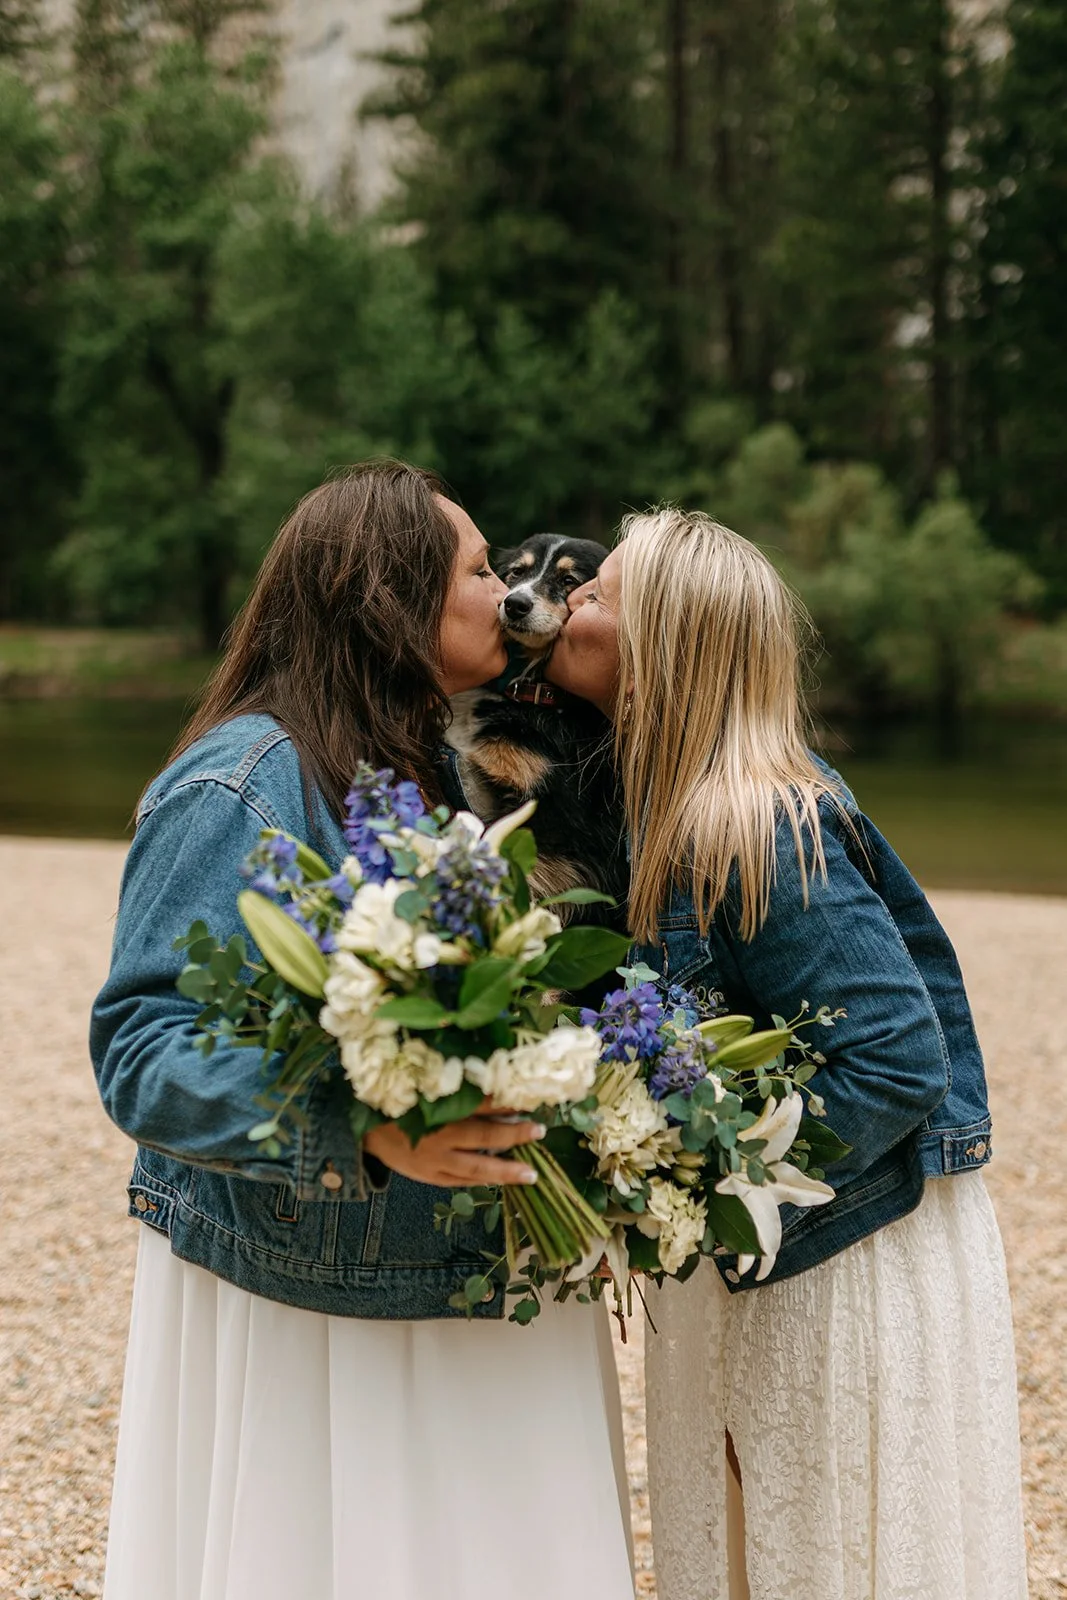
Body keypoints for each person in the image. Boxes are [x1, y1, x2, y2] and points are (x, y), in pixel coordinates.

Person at [90, 461, 635, 1600]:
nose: (503, 594)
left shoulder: (435, 760)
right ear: (391, 601)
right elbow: (143, 1049)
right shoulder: (239, 780)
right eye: (479, 570)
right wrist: (361, 1127)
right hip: (328, 1294)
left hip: (472, 1270)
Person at [546, 506, 1028, 1600]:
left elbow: (896, 1060)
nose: (569, 599)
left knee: (813, 1551)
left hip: (841, 1249)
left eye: (598, 592)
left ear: (659, 646)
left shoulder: (751, 820)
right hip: (784, 1246)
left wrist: (708, 1181)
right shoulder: (668, 805)